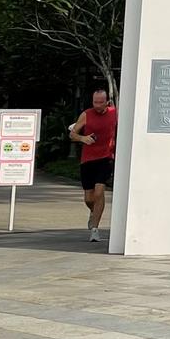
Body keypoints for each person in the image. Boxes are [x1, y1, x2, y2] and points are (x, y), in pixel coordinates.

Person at [68, 87, 117, 242]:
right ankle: (93, 212)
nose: (97, 105)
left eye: (101, 102)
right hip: (88, 159)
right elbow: (72, 134)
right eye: (95, 102)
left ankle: (95, 229)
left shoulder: (114, 113)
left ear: (107, 102)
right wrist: (83, 138)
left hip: (106, 157)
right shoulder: (86, 114)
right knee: (89, 198)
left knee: (99, 192)